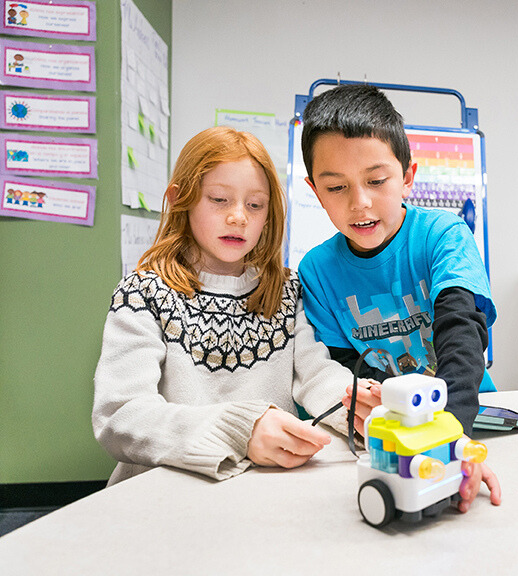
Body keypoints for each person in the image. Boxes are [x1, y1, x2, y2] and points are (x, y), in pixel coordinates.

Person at [93, 127, 357, 485]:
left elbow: (315, 374)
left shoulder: (285, 289)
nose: (238, 217)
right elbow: (120, 416)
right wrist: (239, 430)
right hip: (161, 492)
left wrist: (359, 405)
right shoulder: (143, 292)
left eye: (255, 205)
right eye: (219, 199)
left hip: (256, 489)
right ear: (179, 199)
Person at [296, 84, 502, 512]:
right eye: (337, 188)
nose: (361, 203)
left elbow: (461, 335)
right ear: (315, 190)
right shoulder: (317, 270)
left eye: (376, 180)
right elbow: (345, 365)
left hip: (468, 415)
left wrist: (449, 438)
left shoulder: (443, 236)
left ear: (407, 176)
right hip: (396, 425)